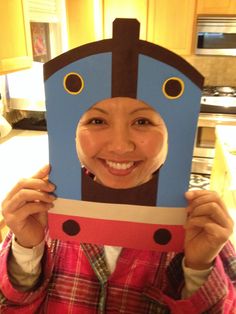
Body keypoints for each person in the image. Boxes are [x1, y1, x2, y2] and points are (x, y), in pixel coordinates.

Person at [0, 97, 235, 313]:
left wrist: (198, 268)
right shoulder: (42, 209)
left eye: (142, 121)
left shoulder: (199, 225)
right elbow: (9, 304)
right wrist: (27, 249)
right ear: (73, 131)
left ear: (170, 132)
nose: (120, 146)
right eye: (97, 120)